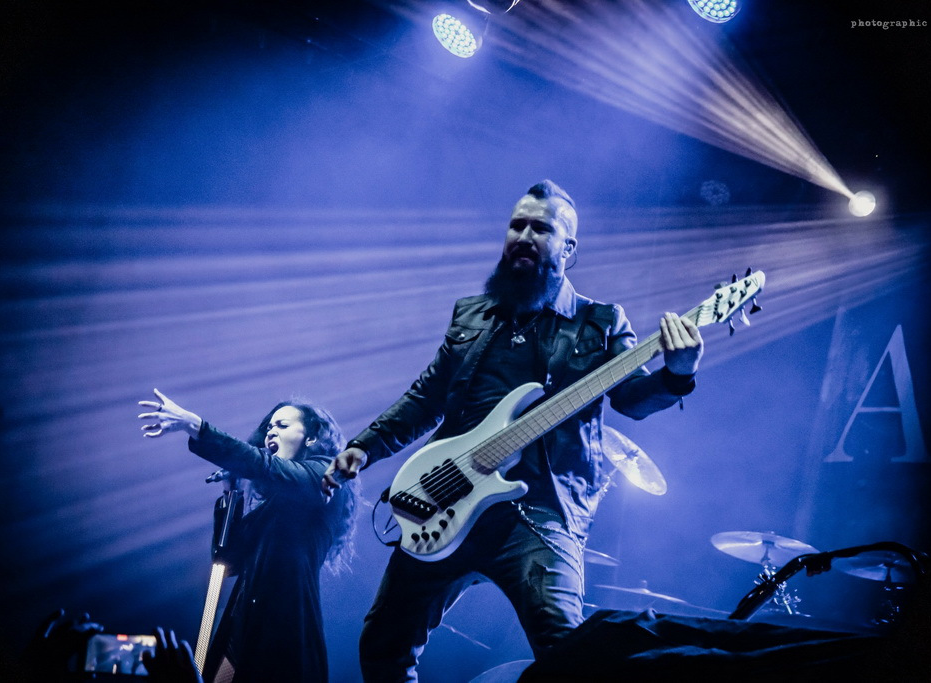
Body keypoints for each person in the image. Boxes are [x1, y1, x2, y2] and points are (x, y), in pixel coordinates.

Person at [322, 179, 704, 681]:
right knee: (382, 644)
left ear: (568, 249)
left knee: (567, 652)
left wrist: (677, 374)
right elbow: (426, 397)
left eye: (540, 228)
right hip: (448, 494)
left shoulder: (599, 322)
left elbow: (631, 398)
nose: (524, 236)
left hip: (540, 511)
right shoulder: (472, 314)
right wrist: (364, 447)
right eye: (516, 225)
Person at [139, 391, 358, 683]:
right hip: (241, 631)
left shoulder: (327, 475)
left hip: (282, 638)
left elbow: (264, 465)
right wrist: (233, 491)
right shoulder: (272, 507)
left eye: (282, 425)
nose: (271, 431)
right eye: (269, 427)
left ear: (311, 438)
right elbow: (226, 560)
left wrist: (196, 426)